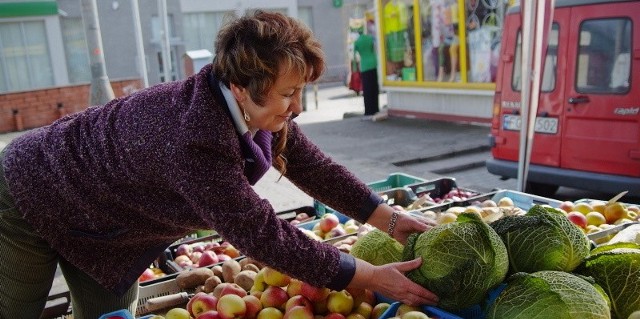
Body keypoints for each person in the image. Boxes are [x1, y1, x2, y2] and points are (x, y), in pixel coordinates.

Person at [0, 11, 439, 319]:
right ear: (241, 87)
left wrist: (389, 218)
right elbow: (261, 234)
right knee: (17, 310)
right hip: (31, 193)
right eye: (289, 94)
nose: (297, 108)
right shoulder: (194, 139)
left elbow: (312, 165)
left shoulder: (250, 107)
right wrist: (367, 277)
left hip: (106, 223)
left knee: (111, 315)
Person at [353, 27, 380, 117]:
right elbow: (375, 48)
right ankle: (376, 108)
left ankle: (368, 110)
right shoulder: (370, 38)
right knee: (374, 88)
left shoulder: (357, 42)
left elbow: (354, 56)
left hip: (364, 66)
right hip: (373, 63)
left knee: (367, 90)